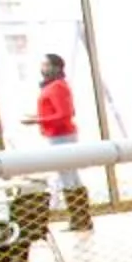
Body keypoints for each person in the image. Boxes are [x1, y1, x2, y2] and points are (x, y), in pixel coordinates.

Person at [35, 52, 92, 233]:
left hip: (61, 135)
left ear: (56, 67)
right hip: (58, 134)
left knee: (68, 176)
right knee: (70, 176)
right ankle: (80, 218)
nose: (42, 68)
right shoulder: (54, 86)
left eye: (46, 65)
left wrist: (39, 120)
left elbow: (65, 114)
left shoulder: (57, 87)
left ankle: (79, 218)